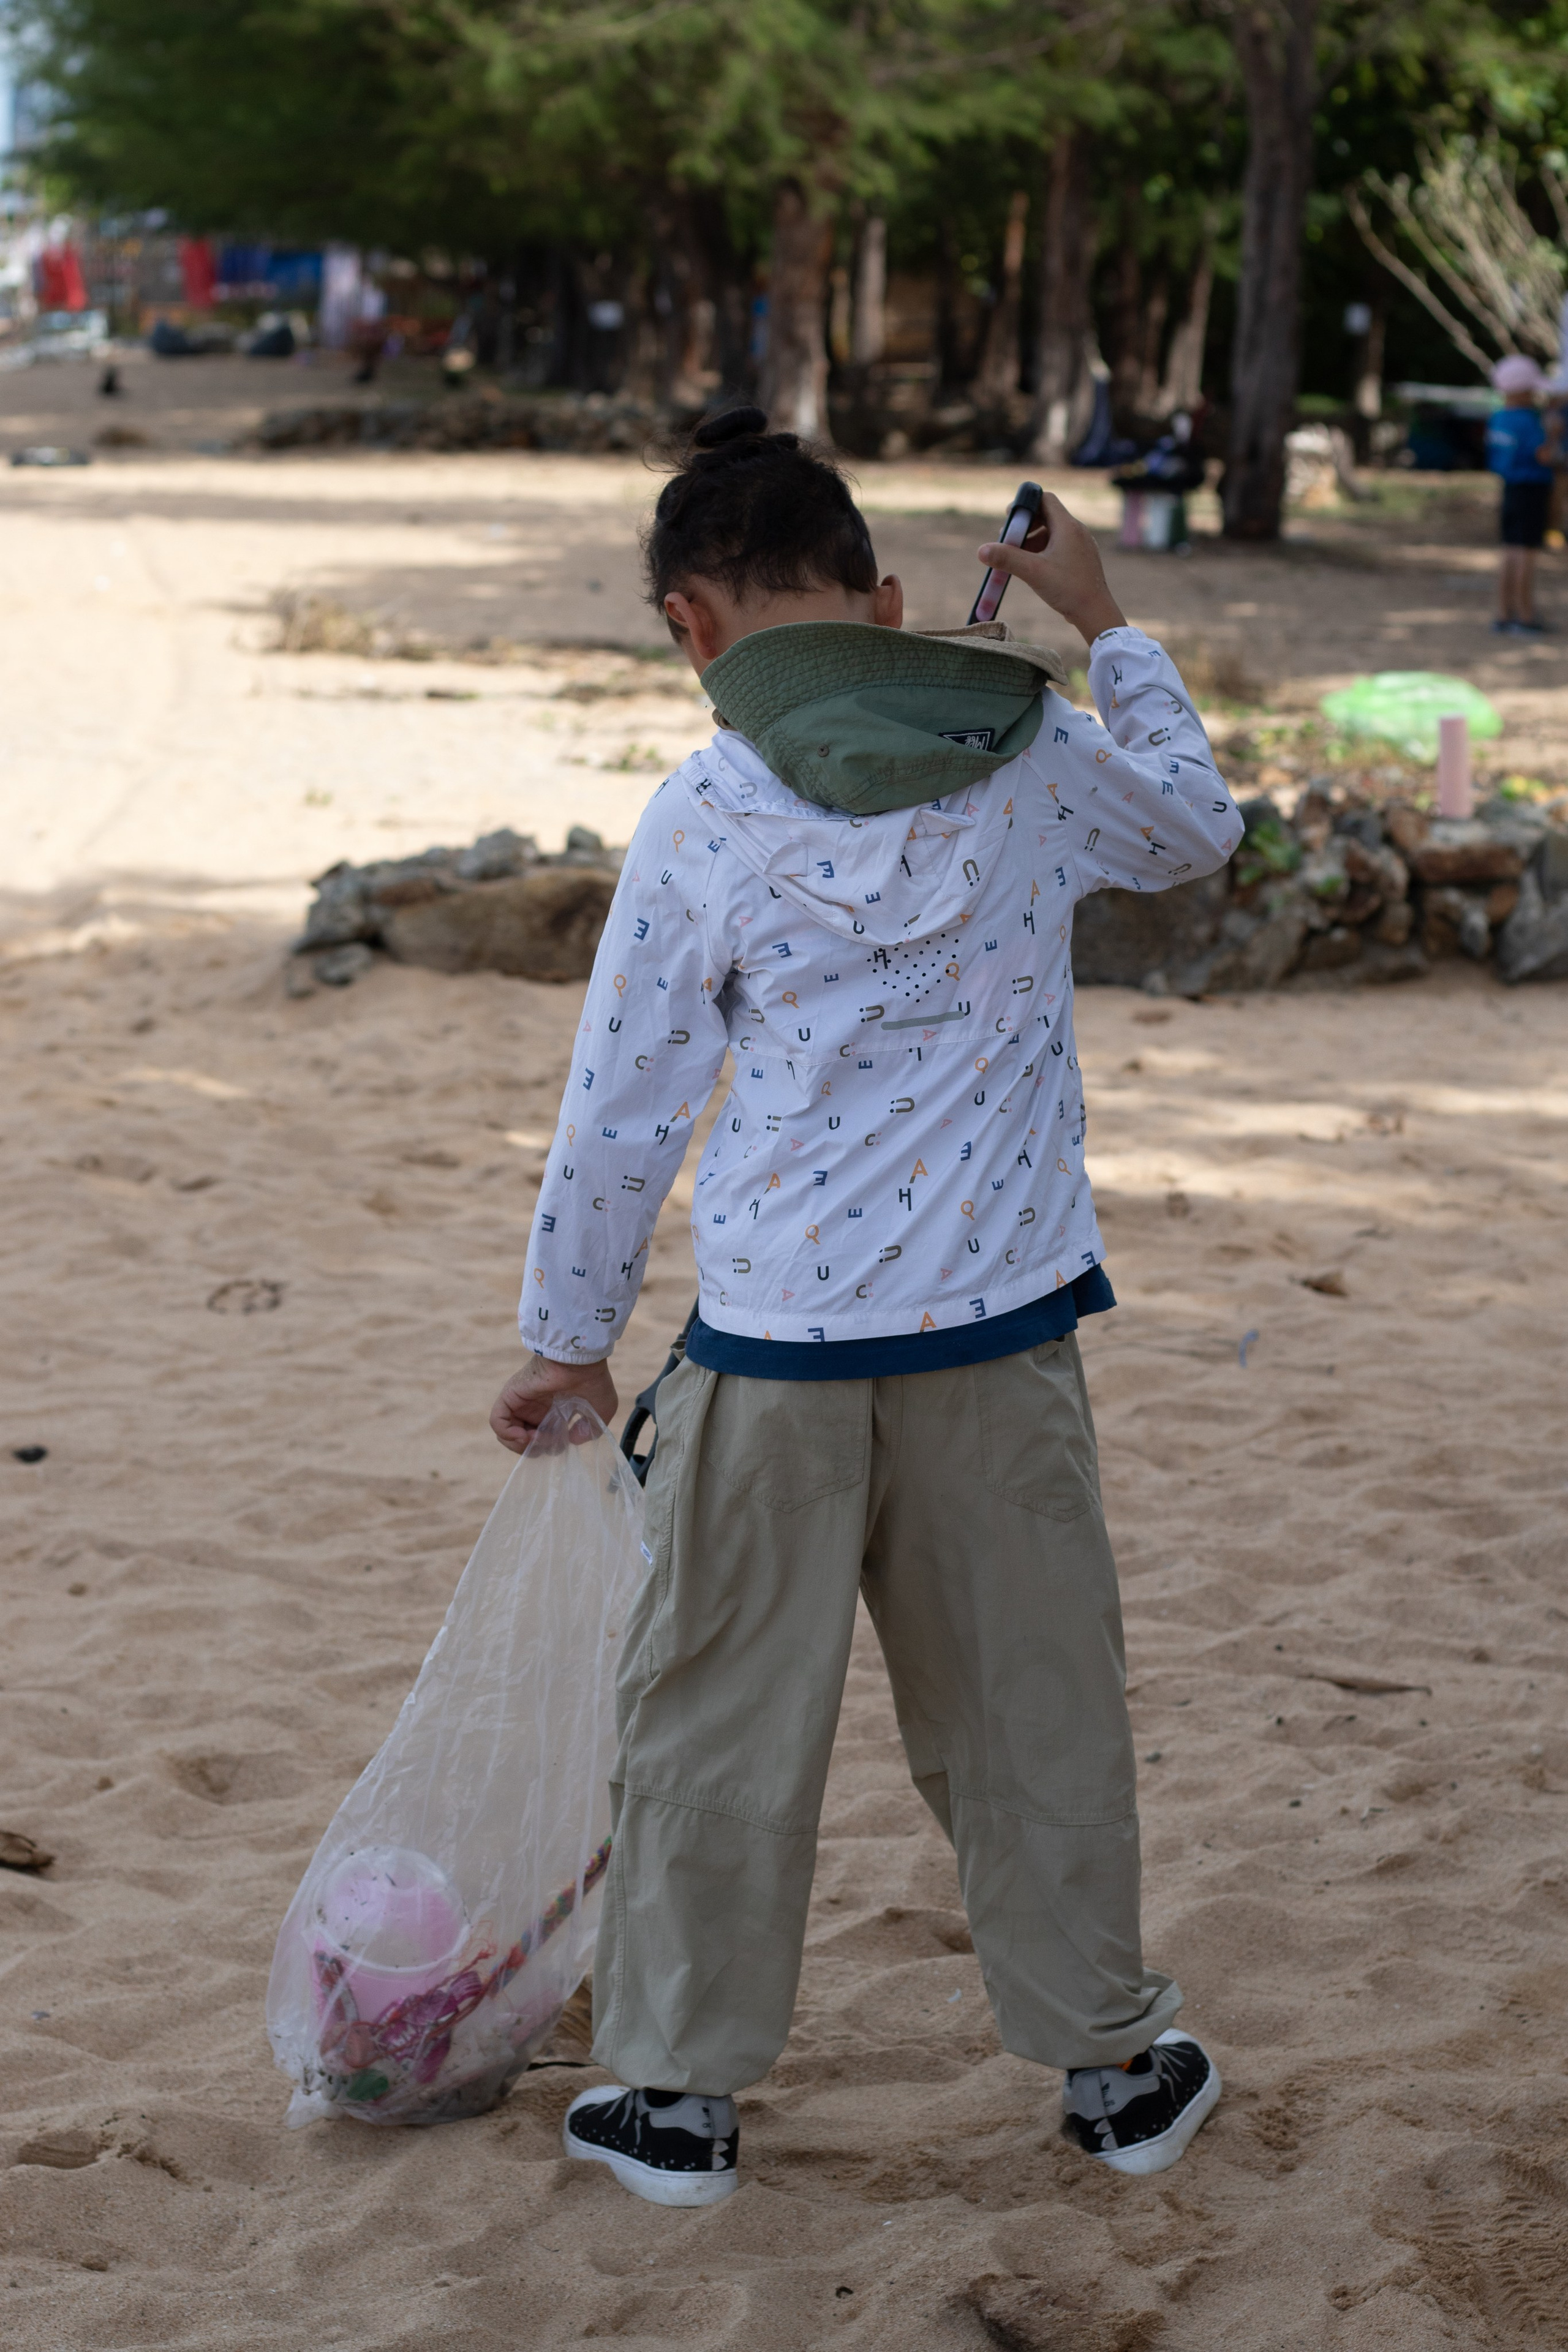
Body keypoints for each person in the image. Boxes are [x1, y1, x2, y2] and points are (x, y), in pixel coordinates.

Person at [489, 408, 1242, 2209]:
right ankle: (1113, 2069)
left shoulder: (705, 809)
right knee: (1030, 1705)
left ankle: (673, 2095)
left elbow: (624, 1106)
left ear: (686, 628)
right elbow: (1199, 830)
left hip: (771, 1352)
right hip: (1000, 1341)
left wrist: (565, 1331)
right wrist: (1108, 619)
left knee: (714, 1717)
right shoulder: (1037, 752)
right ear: (887, 597)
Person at [1486, 354, 1554, 634]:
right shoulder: (1529, 421)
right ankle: (1526, 616)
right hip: (1532, 490)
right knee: (1527, 553)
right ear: (1524, 391)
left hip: (1510, 490)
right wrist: (1556, 437)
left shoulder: (1498, 417)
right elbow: (1543, 455)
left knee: (1509, 551)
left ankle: (1504, 613)